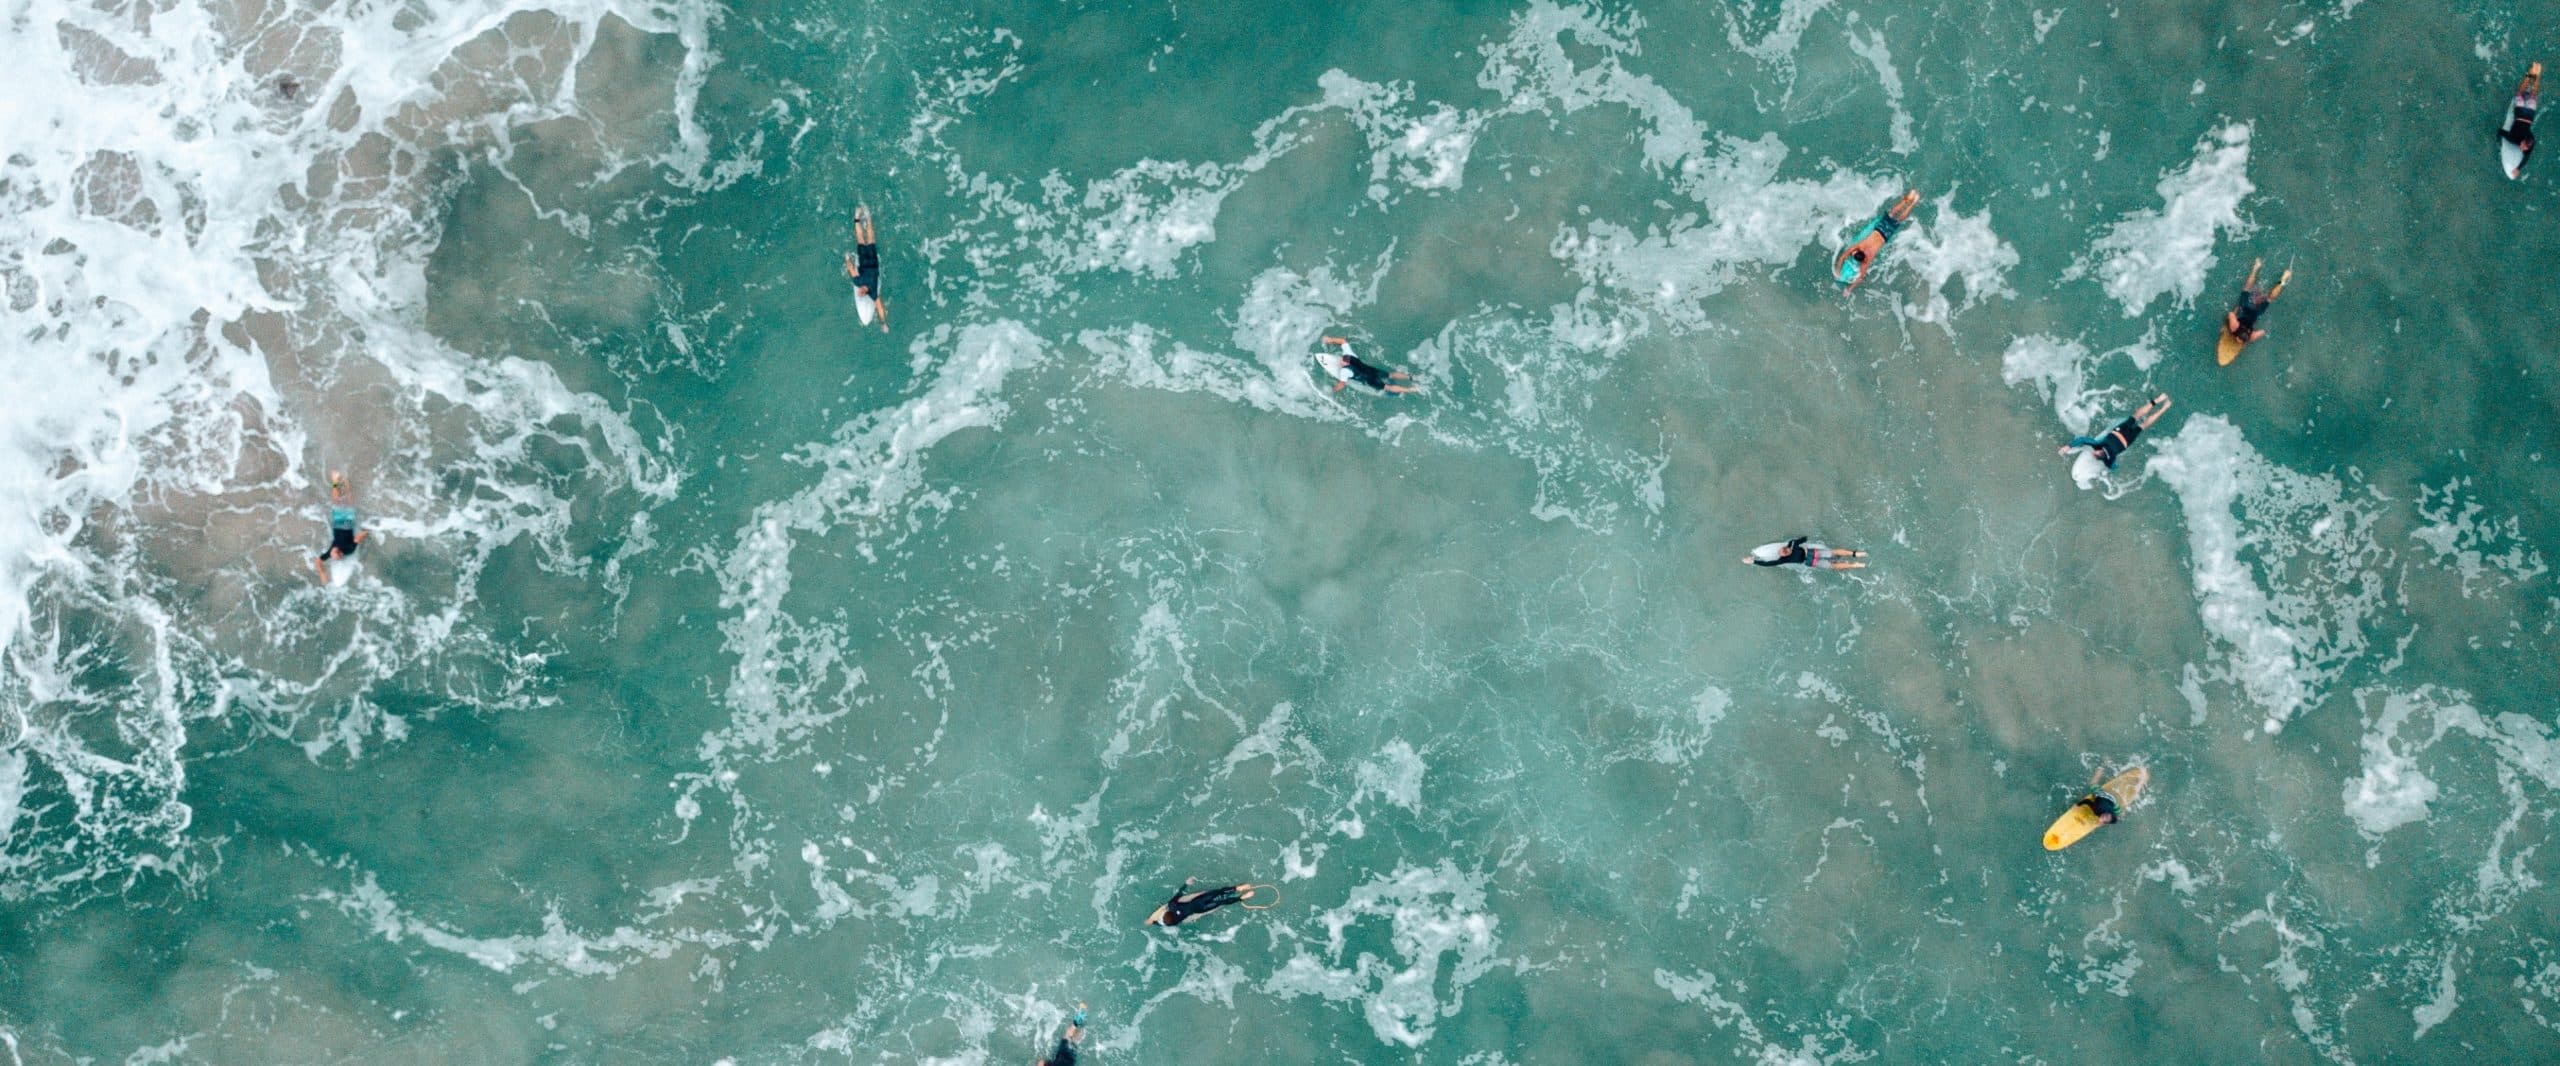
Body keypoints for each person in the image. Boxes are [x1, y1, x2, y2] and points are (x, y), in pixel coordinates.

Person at [1833, 189, 1921, 294]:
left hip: (1885, 235)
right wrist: (1839, 271)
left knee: (1899, 220)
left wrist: (1848, 287)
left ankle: (1914, 202)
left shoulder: (1866, 260)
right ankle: (1909, 198)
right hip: (1879, 230)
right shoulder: (1860, 246)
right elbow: (1843, 256)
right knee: (1892, 214)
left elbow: (1860, 278)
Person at [2059, 393, 2172, 470]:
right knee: (2136, 416)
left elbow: (2114, 467)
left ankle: (2164, 408)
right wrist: (2068, 446)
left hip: (2126, 442)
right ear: (2098, 453)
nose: (2094, 453)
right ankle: (2159, 399)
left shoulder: (2109, 460)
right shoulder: (2098, 445)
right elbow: (2082, 440)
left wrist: (2111, 466)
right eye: (2095, 454)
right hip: (2118, 432)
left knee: (2143, 426)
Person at [311, 470, 369, 582]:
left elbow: (318, 561)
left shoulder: (331, 552)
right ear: (339, 553)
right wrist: (366, 531)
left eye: (332, 553)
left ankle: (336, 481)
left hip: (339, 524)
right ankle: (345, 483)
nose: (332, 550)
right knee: (347, 502)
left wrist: (322, 573)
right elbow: (358, 538)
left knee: (338, 502)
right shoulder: (348, 549)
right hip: (346, 524)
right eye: (334, 552)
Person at [2221, 259, 2290, 347]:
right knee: (2250, 290)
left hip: (2255, 312)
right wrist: (2229, 321)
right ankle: (2278, 278)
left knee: (2266, 297)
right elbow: (2263, 332)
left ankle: (2258, 268)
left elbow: (2262, 332)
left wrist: (2229, 319)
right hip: (2248, 309)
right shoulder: (2238, 328)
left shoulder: (2238, 328)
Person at [843, 205, 888, 332]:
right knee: (871, 239)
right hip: (873, 261)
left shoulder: (858, 282)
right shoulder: (873, 291)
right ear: (864, 292)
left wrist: (847, 259)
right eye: (861, 292)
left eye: (859, 291)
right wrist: (883, 323)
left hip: (863, 260)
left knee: (861, 240)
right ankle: (867, 217)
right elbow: (879, 306)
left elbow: (851, 269)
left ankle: (857, 217)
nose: (860, 291)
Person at [1144, 877, 1259, 927]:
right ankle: (1239, 894)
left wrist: (1153, 922)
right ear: (1167, 912)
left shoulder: (1174, 922)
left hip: (1199, 907)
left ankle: (1240, 894)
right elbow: (1179, 893)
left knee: (1220, 900)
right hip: (1199, 904)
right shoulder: (1172, 906)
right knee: (1219, 896)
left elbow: (1159, 923)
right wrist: (1187, 883)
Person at [1319, 337, 1416, 395]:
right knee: (1390, 375)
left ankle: (1409, 390)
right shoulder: (1350, 354)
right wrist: (1330, 339)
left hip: (1370, 380)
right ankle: (1411, 377)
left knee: (1388, 388)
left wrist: (1332, 390)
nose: (1341, 361)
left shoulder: (1344, 371)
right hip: (1372, 371)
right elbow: (1343, 341)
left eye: (1343, 362)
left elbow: (1342, 384)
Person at [1741, 536, 1867, 570]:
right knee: (1833, 560)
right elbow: (1769, 564)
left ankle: (1854, 559)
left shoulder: (1788, 551)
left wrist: (1754, 561)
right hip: (1810, 558)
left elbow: (1804, 539)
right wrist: (1753, 561)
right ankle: (1854, 560)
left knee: (1833, 558)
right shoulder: (1789, 551)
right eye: (1781, 552)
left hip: (1811, 557)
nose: (1782, 552)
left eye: (1782, 550)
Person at [2505, 61, 2541, 178]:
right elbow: (2501, 132)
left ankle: (2535, 72)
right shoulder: (2514, 138)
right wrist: (2499, 142)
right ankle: (2532, 72)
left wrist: (2517, 169)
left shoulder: (2531, 139)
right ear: (2524, 142)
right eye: (2522, 146)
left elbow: (2526, 157)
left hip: (2529, 114)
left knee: (2533, 93)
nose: (2521, 148)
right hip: (2520, 113)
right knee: (2521, 91)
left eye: (2523, 148)